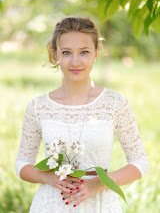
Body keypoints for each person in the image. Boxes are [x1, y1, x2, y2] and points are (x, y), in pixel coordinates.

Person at [15, 17, 149, 213]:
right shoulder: (38, 106)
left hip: (101, 204)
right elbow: (22, 164)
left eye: (84, 52)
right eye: (66, 52)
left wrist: (96, 184)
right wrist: (49, 177)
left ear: (96, 53)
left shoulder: (115, 103)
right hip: (51, 204)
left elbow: (140, 163)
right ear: (55, 55)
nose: (75, 61)